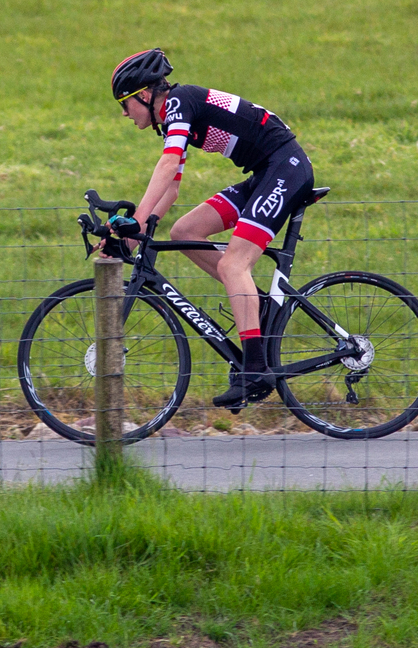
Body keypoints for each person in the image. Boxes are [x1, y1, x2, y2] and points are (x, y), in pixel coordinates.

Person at [102, 48, 315, 410]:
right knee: (183, 231)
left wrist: (136, 220)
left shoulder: (180, 102)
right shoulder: (174, 117)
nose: (125, 114)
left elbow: (168, 164)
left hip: (286, 167)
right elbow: (172, 187)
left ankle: (255, 369)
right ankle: (255, 303)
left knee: (235, 265)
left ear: (143, 95)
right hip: (265, 172)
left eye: (124, 105)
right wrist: (137, 232)